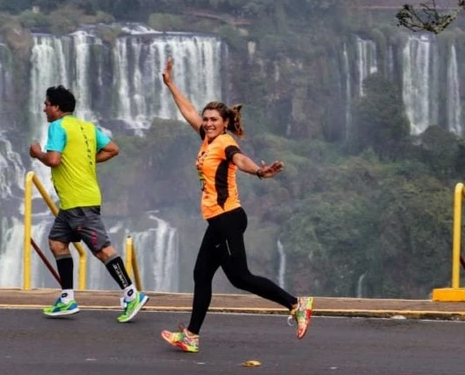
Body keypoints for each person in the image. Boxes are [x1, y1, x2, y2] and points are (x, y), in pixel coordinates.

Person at [159, 58, 313, 353]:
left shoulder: (224, 142)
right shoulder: (207, 138)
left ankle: (296, 304)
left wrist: (258, 171)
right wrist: (170, 85)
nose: (207, 123)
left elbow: (239, 159)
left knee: (241, 277)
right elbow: (188, 111)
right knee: (202, 275)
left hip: (227, 218)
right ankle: (191, 335)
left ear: (225, 122)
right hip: (218, 220)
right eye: (206, 120)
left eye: (213, 120)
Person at [29, 85, 148, 323]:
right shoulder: (88, 127)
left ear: (57, 107)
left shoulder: (57, 126)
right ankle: (66, 298)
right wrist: (82, 159)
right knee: (56, 242)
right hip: (76, 201)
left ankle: (131, 294)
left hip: (79, 202)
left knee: (101, 249)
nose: (44, 109)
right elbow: (113, 149)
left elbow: (53, 160)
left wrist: (37, 153)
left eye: (46, 104)